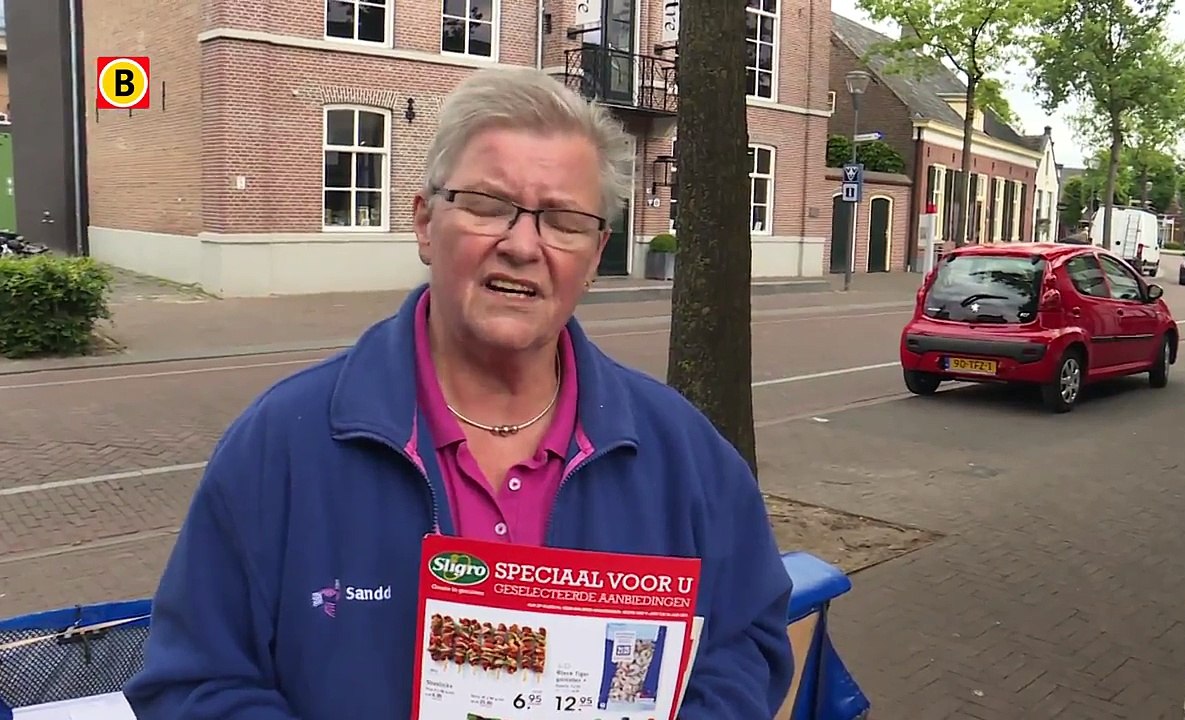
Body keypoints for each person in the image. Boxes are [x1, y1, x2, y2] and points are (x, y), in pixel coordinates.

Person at [122, 67, 794, 719]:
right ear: (423, 223)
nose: (523, 245)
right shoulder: (282, 444)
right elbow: (194, 679)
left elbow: (747, 643)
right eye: (488, 206)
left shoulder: (682, 455)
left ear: (594, 256)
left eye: (562, 220)